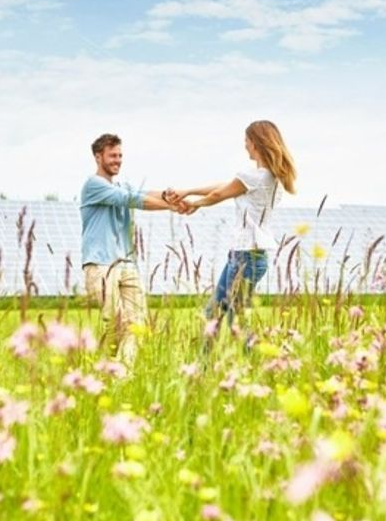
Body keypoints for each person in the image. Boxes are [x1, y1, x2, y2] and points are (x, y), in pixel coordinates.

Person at [165, 120, 297, 344]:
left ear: (255, 143)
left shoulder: (256, 176)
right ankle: (208, 367)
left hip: (245, 256)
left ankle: (263, 363)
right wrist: (189, 191)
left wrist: (196, 204)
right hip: (248, 255)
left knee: (227, 320)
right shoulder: (270, 178)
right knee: (220, 316)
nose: (245, 146)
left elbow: (219, 194)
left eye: (246, 141)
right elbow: (224, 186)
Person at [80, 133, 186, 362]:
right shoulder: (93, 185)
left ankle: (121, 374)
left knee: (137, 325)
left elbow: (143, 193)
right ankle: (101, 368)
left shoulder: (121, 183)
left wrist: (170, 196)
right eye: (112, 156)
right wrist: (172, 208)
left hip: (127, 264)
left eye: (120, 155)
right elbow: (131, 199)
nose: (117, 160)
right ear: (98, 157)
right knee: (117, 325)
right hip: (100, 265)